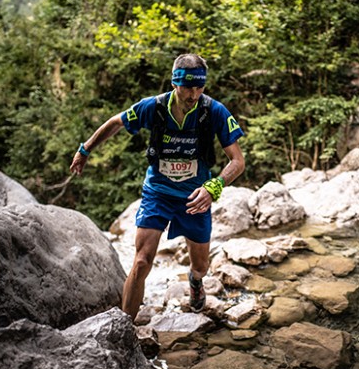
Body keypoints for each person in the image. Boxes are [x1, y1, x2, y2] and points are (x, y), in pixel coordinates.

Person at [70, 53, 245, 319]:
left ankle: (195, 282)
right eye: (188, 87)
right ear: (175, 83)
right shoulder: (154, 107)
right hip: (158, 193)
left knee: (201, 266)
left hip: (195, 198)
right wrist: (85, 149)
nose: (194, 94)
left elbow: (238, 161)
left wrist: (214, 187)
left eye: (200, 87)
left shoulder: (214, 111)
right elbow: (116, 122)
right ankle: (125, 330)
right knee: (141, 261)